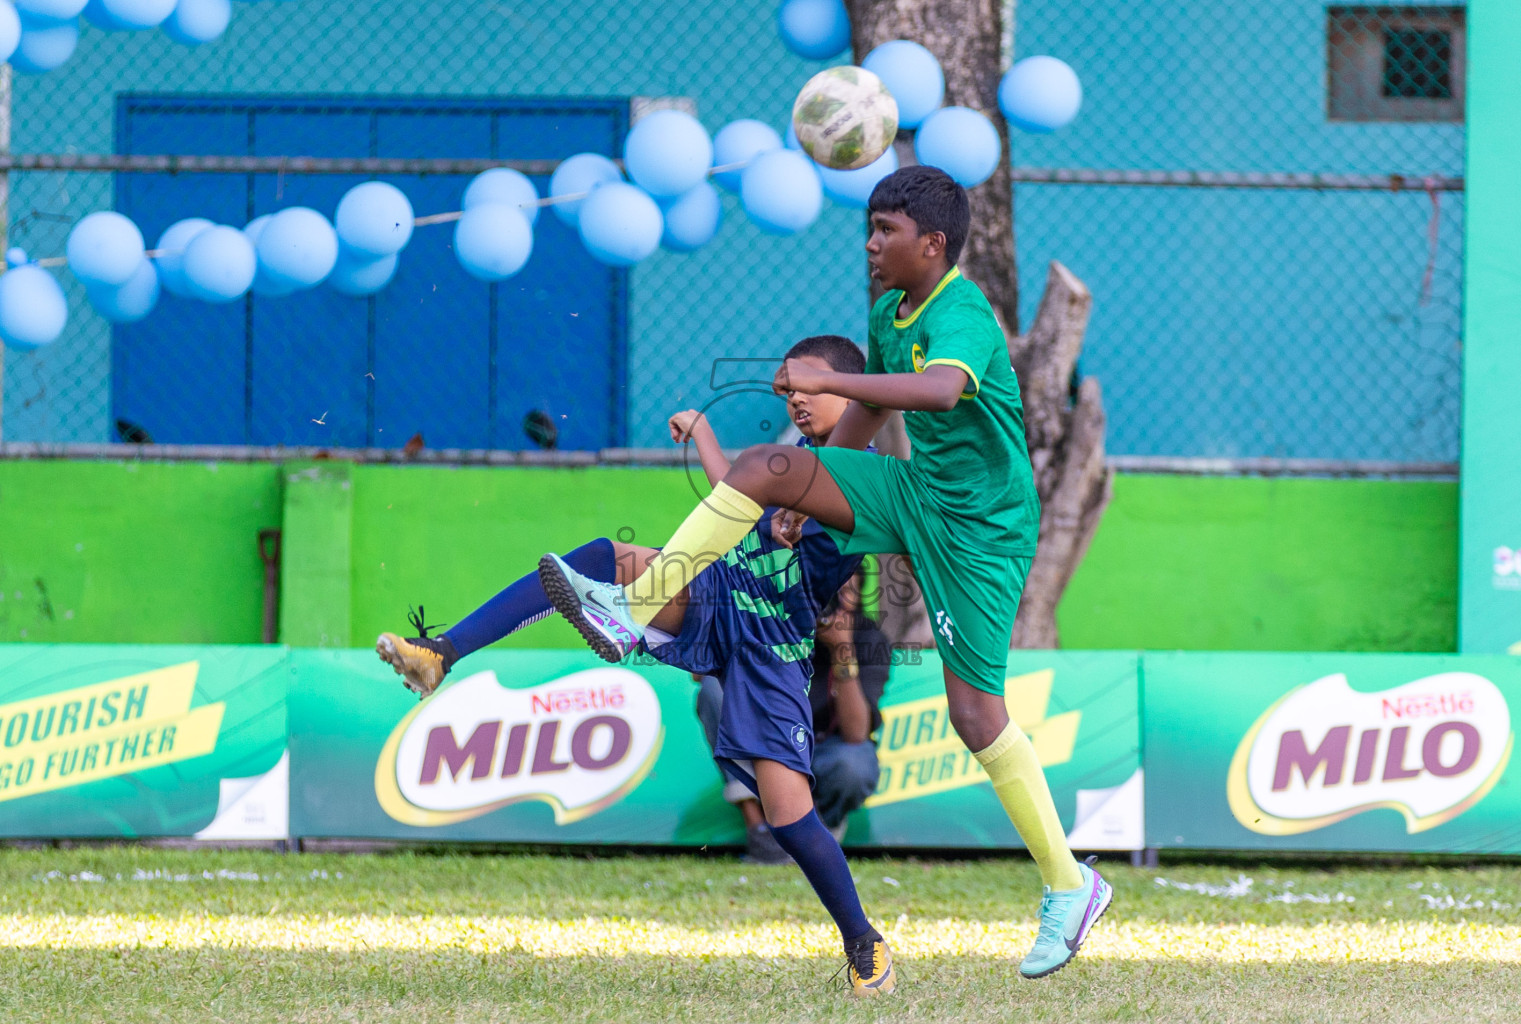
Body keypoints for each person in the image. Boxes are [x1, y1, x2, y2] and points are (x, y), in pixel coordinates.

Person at [538, 165, 1112, 980]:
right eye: (870, 227)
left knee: (977, 718)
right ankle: (640, 601)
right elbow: (876, 413)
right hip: (914, 492)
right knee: (773, 464)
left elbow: (940, 393)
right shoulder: (888, 309)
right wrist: (816, 489)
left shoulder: (965, 313)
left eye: (887, 232)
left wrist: (829, 378)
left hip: (982, 530)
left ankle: (1069, 884)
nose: (872, 244)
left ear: (933, 244)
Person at [377, 334, 896, 997]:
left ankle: (864, 944)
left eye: (808, 385)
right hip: (719, 591)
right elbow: (735, 495)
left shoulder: (869, 472)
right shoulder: (794, 457)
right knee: (602, 556)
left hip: (775, 639)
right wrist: (708, 435)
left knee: (790, 815)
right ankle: (440, 655)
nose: (794, 397)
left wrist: (805, 515)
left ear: (850, 391)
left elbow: (835, 504)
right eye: (785, 387)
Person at [697, 567, 890, 863]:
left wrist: (842, 650)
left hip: (824, 754)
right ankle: (758, 827)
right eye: (828, 590)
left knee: (854, 764)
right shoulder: (776, 618)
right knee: (715, 689)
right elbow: (703, 675)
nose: (834, 601)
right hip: (769, 749)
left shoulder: (868, 637)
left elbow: (856, 734)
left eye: (845, 592)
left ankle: (818, 829)